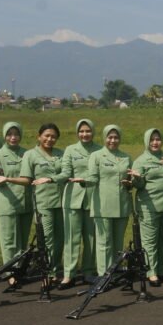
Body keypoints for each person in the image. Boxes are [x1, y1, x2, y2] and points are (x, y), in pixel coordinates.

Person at [7, 124, 67, 278]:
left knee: (60, 238)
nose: (50, 139)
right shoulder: (30, 154)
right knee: (47, 238)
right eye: (46, 135)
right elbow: (26, 179)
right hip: (43, 202)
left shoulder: (61, 153)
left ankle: (56, 267)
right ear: (39, 136)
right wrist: (7, 179)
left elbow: (67, 174)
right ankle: (47, 271)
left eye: (53, 136)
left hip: (62, 202)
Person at [80, 125, 133, 276]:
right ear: (104, 138)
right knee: (104, 242)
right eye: (110, 137)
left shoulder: (126, 157)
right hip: (103, 205)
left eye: (116, 137)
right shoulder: (96, 156)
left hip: (122, 205)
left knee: (117, 242)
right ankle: (104, 275)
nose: (113, 140)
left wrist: (130, 183)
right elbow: (92, 177)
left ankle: (114, 272)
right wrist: (84, 181)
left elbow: (131, 181)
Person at [129, 128, 163, 286]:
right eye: (152, 140)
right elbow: (138, 185)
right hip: (149, 206)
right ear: (146, 141)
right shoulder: (141, 161)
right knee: (149, 242)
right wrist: (137, 179)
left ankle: (162, 270)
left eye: (158, 139)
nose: (155, 142)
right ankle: (151, 273)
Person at [0, 122, 33, 275]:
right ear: (4, 136)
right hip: (7, 203)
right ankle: (10, 272)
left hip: (26, 203)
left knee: (22, 241)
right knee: (9, 241)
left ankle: (20, 269)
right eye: (9, 134)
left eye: (16, 134)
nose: (13, 137)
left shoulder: (27, 153)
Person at [60, 119, 101, 288]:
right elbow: (65, 172)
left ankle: (88, 272)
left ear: (93, 132)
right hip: (73, 198)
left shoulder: (100, 150)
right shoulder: (70, 150)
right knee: (71, 238)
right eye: (81, 131)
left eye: (88, 131)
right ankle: (68, 274)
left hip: (93, 199)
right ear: (77, 132)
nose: (85, 134)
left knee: (91, 238)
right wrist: (51, 179)